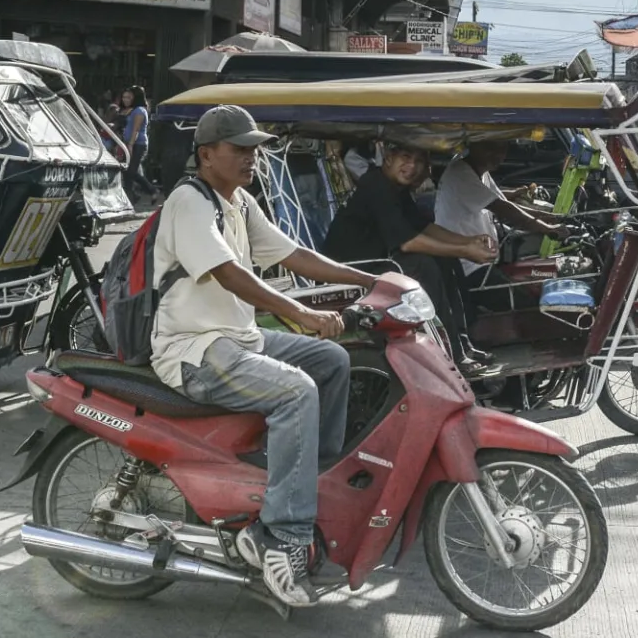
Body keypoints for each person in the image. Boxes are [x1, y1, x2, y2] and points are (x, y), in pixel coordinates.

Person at [148, 104, 376, 608]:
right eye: (240, 149)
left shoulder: (239, 202)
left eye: (255, 149)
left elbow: (294, 254)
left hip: (237, 339)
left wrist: (371, 280)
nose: (252, 157)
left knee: (331, 361)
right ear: (207, 155)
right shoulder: (189, 202)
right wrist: (302, 311)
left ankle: (304, 487)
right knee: (297, 391)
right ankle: (280, 537)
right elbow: (231, 273)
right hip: (193, 349)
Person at [324, 144, 496, 372]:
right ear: (388, 158)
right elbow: (408, 242)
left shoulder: (395, 187)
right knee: (424, 265)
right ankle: (451, 354)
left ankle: (461, 344)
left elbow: (423, 228)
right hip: (353, 269)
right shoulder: (376, 186)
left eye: (419, 161)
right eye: (405, 157)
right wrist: (466, 251)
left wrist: (467, 242)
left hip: (380, 260)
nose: (412, 167)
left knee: (447, 259)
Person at [433, 141, 569, 268]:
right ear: (474, 145)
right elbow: (505, 209)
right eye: (490, 148)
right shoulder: (461, 174)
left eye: (502, 149)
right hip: (468, 264)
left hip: (483, 257)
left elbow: (504, 202)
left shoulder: (478, 170)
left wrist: (553, 217)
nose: (498, 155)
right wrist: (547, 228)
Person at [119, 86, 155, 202]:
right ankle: (131, 197)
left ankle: (152, 190)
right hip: (129, 143)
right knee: (126, 172)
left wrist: (130, 145)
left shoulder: (140, 110)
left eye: (130, 96)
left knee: (132, 171)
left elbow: (136, 129)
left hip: (137, 144)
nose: (128, 99)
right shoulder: (133, 110)